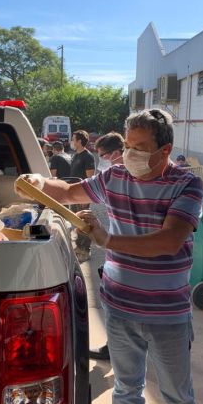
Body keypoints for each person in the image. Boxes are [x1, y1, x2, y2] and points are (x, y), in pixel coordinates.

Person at [16, 109, 202, 404]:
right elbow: (70, 192)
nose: (130, 154)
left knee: (179, 399)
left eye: (140, 148)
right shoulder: (115, 176)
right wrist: (39, 182)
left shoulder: (186, 184)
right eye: (128, 145)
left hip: (167, 313)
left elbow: (169, 241)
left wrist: (108, 240)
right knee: (126, 388)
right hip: (120, 307)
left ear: (165, 150)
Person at [88, 131, 125, 361]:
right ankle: (113, 348)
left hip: (130, 258)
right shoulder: (113, 177)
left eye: (103, 155)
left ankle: (117, 349)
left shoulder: (136, 178)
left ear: (116, 153)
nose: (102, 159)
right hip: (118, 254)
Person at [69, 130, 97, 262]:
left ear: (79, 141)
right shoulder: (75, 155)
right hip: (74, 195)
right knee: (76, 221)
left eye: (73, 139)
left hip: (83, 195)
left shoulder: (88, 156)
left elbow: (90, 178)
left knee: (84, 223)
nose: (72, 141)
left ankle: (85, 250)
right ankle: (79, 247)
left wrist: (86, 197)